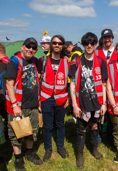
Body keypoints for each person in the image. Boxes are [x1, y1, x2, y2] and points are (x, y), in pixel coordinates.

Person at [69, 32, 108, 168]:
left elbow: (103, 84)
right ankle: (79, 155)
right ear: (83, 44)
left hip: (97, 102)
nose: (89, 45)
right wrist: (74, 104)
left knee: (95, 126)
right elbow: (72, 84)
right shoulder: (76, 61)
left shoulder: (101, 62)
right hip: (82, 102)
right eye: (86, 43)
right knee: (81, 128)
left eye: (92, 43)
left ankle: (94, 149)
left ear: (96, 44)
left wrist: (103, 103)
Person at [5, 37, 43, 170]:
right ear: (22, 47)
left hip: (32, 104)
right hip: (18, 105)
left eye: (33, 48)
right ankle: (18, 158)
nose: (30, 50)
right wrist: (15, 105)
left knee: (32, 131)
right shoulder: (14, 62)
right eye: (28, 46)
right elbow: (9, 85)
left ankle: (30, 152)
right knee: (16, 133)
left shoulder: (34, 61)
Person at [39, 35, 69, 162]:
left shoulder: (67, 61)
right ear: (51, 44)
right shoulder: (43, 60)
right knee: (47, 125)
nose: (57, 45)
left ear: (62, 45)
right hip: (46, 98)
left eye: (60, 43)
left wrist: (68, 98)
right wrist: (39, 100)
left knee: (60, 124)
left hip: (61, 98)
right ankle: (48, 148)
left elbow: (70, 81)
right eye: (55, 43)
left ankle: (60, 146)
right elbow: (38, 80)